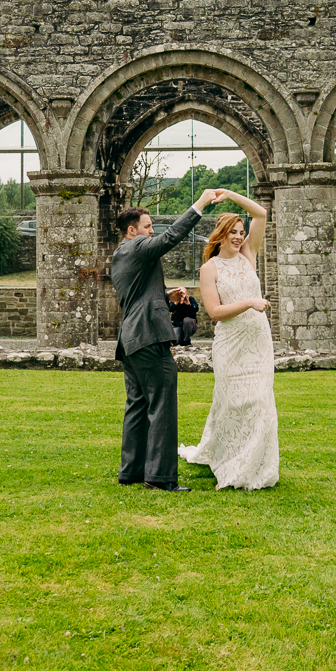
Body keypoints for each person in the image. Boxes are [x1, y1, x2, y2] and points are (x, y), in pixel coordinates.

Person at [111, 188, 224, 492]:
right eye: (147, 227)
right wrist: (199, 204)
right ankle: (160, 478)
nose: (152, 232)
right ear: (132, 231)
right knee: (162, 405)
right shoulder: (138, 247)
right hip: (149, 338)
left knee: (136, 405)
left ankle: (131, 472)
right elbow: (170, 237)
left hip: (131, 340)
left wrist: (166, 294)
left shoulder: (120, 254)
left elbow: (135, 297)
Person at [178, 189, 279, 490]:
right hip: (230, 345)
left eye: (241, 232)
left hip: (258, 341)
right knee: (232, 404)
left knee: (260, 402)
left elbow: (260, 212)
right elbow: (215, 312)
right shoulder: (209, 269)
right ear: (220, 235)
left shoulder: (248, 255)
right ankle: (228, 458)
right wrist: (250, 302)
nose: (238, 237)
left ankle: (256, 467)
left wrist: (231, 195)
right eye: (233, 232)